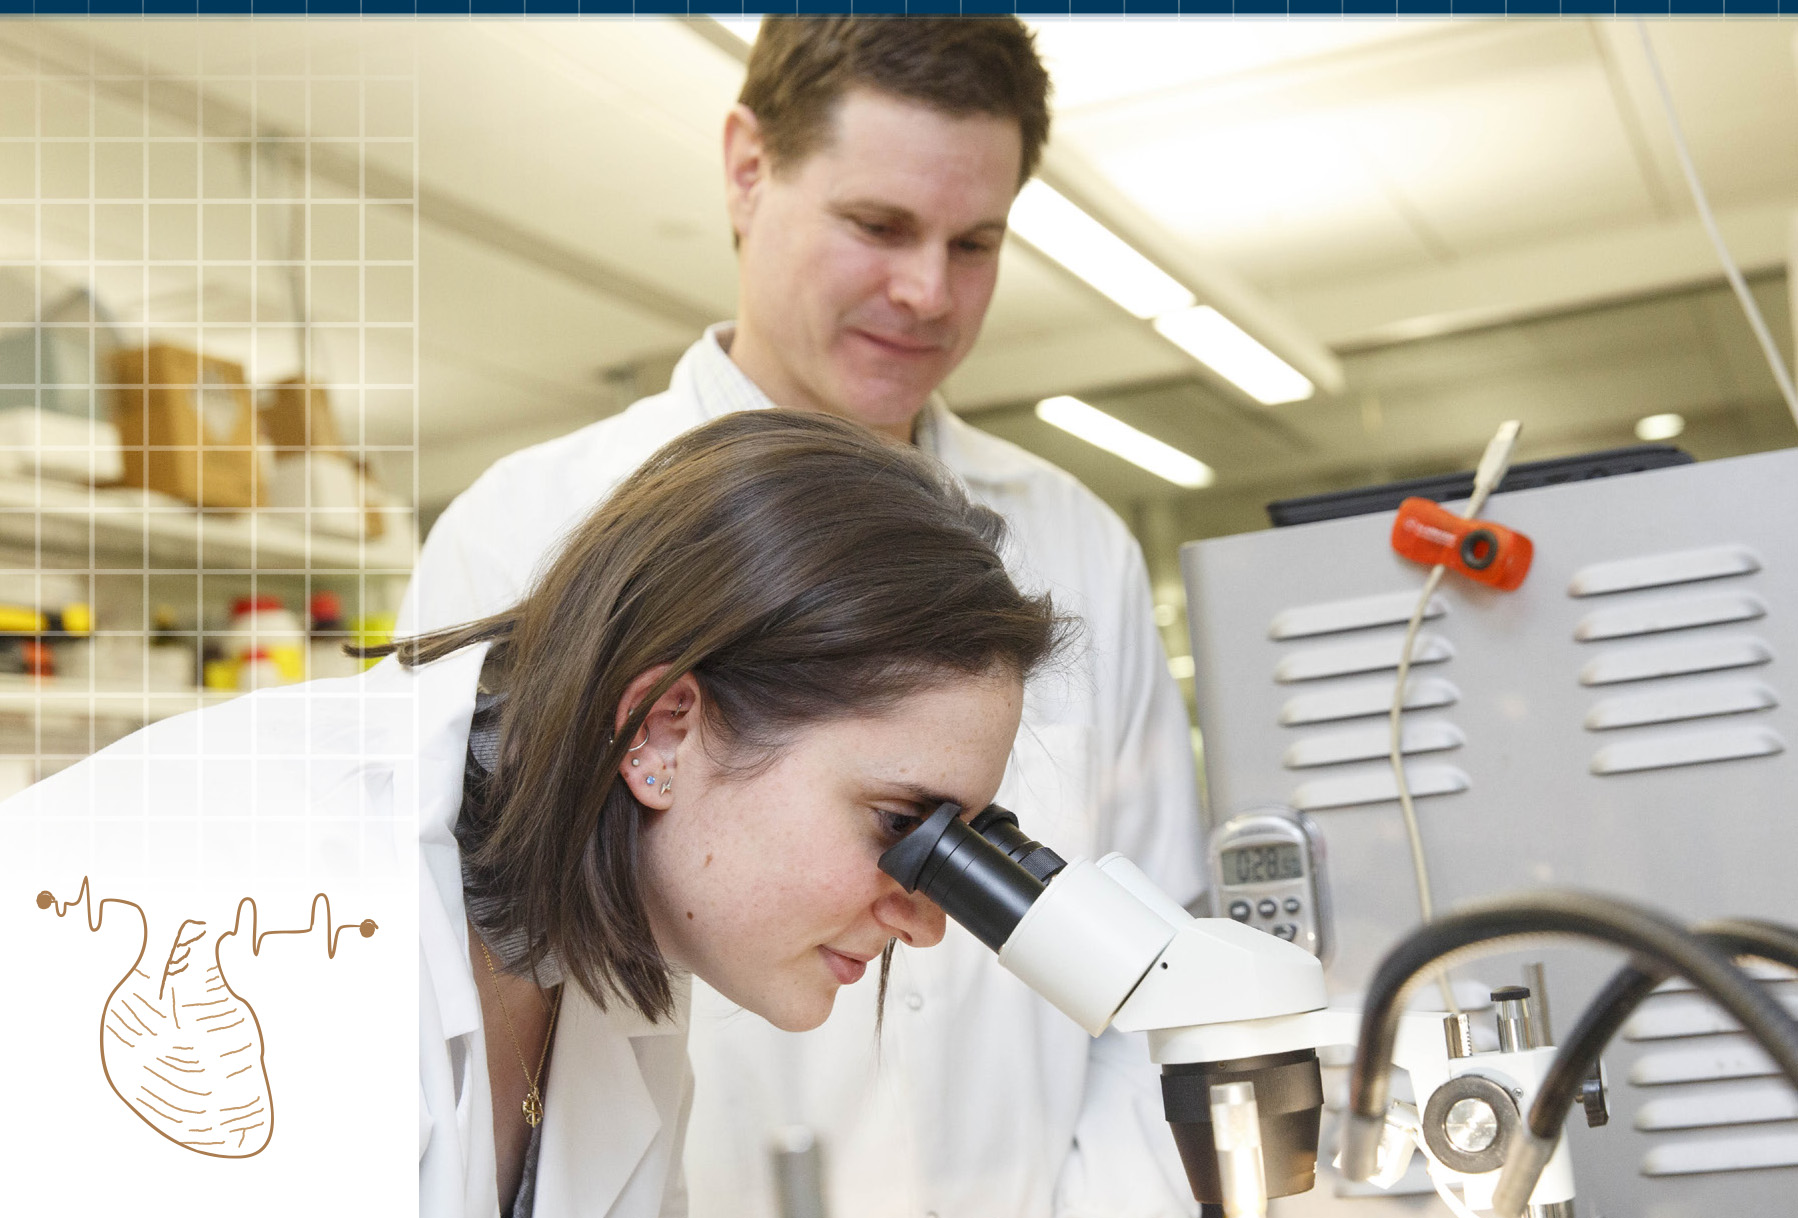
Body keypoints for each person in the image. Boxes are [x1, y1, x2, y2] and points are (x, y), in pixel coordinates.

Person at [402, 17, 1206, 1217]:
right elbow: (469, 1005)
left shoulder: (1075, 541)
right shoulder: (531, 529)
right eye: (877, 226)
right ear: (746, 167)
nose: (926, 291)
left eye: (974, 243)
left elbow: (1147, 976)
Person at [7, 410, 1063, 1218]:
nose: (927, 918)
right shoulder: (242, 903)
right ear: (660, 732)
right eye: (898, 826)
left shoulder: (611, 924)